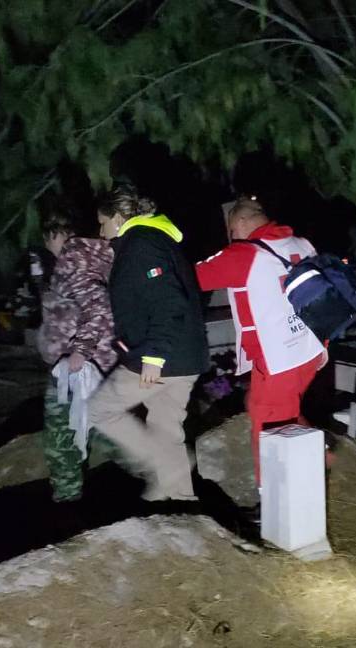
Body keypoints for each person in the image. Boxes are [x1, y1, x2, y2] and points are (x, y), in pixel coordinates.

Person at [88, 185, 208, 502]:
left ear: (117, 217)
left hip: (161, 358)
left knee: (100, 410)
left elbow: (168, 301)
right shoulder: (155, 240)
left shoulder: (142, 244)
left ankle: (164, 467)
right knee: (166, 428)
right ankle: (180, 502)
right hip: (183, 357)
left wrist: (154, 356)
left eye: (102, 222)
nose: (101, 231)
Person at [194, 197, 326, 483]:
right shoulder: (301, 244)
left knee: (268, 425)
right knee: (266, 405)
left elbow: (193, 278)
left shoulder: (244, 254)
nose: (230, 238)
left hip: (279, 358)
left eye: (231, 231)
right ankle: (321, 456)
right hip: (310, 347)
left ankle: (274, 495)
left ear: (241, 223)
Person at [37, 209, 116, 503]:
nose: (49, 248)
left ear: (56, 234)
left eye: (48, 241)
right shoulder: (95, 255)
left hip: (78, 367)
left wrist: (80, 352)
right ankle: (153, 468)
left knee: (61, 432)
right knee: (103, 425)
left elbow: (97, 307)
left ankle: (67, 500)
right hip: (99, 361)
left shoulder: (73, 257)